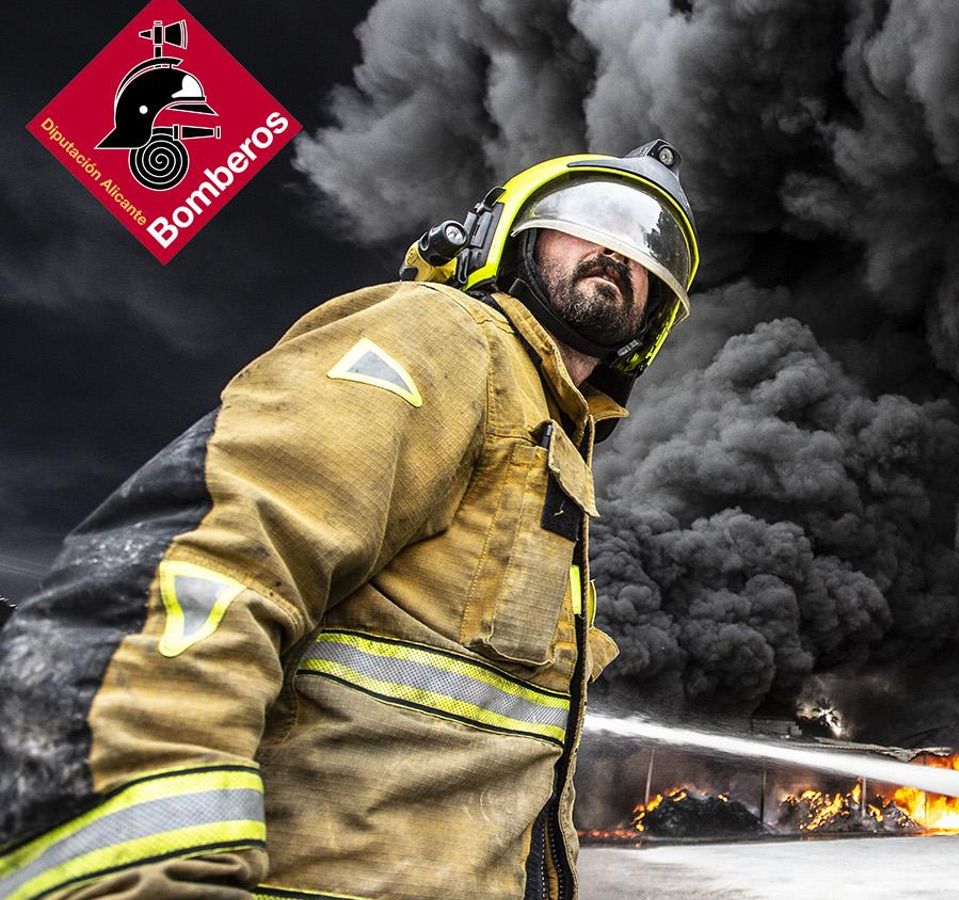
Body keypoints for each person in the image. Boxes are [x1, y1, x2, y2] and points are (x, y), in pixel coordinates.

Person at [0, 140, 698, 900]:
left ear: (656, 314)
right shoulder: (443, 334)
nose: (619, 252)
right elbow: (209, 567)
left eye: (650, 252)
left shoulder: (547, 436)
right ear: (504, 232)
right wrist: (135, 872)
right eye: (590, 220)